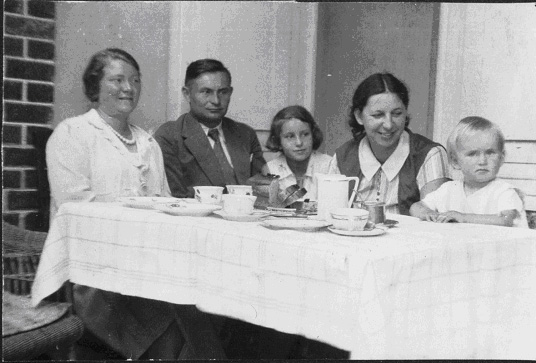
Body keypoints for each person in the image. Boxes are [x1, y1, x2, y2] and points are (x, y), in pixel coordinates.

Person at [46, 48, 192, 359]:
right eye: (117, 79)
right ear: (94, 87)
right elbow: (78, 214)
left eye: (135, 80)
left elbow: (163, 204)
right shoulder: (72, 134)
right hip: (92, 273)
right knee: (173, 325)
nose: (128, 87)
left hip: (144, 264)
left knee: (199, 309)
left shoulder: (148, 143)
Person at [329, 72, 451, 215]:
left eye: (397, 113)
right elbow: (330, 216)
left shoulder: (429, 154)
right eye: (378, 115)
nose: (388, 124)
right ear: (359, 116)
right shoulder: (342, 157)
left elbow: (434, 222)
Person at [154, 59, 266, 197]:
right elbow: (176, 196)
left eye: (223, 92)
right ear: (187, 94)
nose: (216, 101)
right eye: (206, 92)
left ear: (230, 92)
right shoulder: (170, 136)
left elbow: (262, 189)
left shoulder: (245, 134)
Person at [410, 117, 529, 228]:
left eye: (490, 153)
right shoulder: (448, 190)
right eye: (472, 154)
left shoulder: (504, 191)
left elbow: (506, 220)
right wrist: (428, 213)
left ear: (502, 157)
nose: (482, 161)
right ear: (455, 161)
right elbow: (416, 207)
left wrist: (463, 218)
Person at [263, 105, 331, 200]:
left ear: (313, 135)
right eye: (290, 136)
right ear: (278, 141)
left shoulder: (329, 166)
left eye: (305, 134)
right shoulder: (271, 170)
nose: (299, 143)